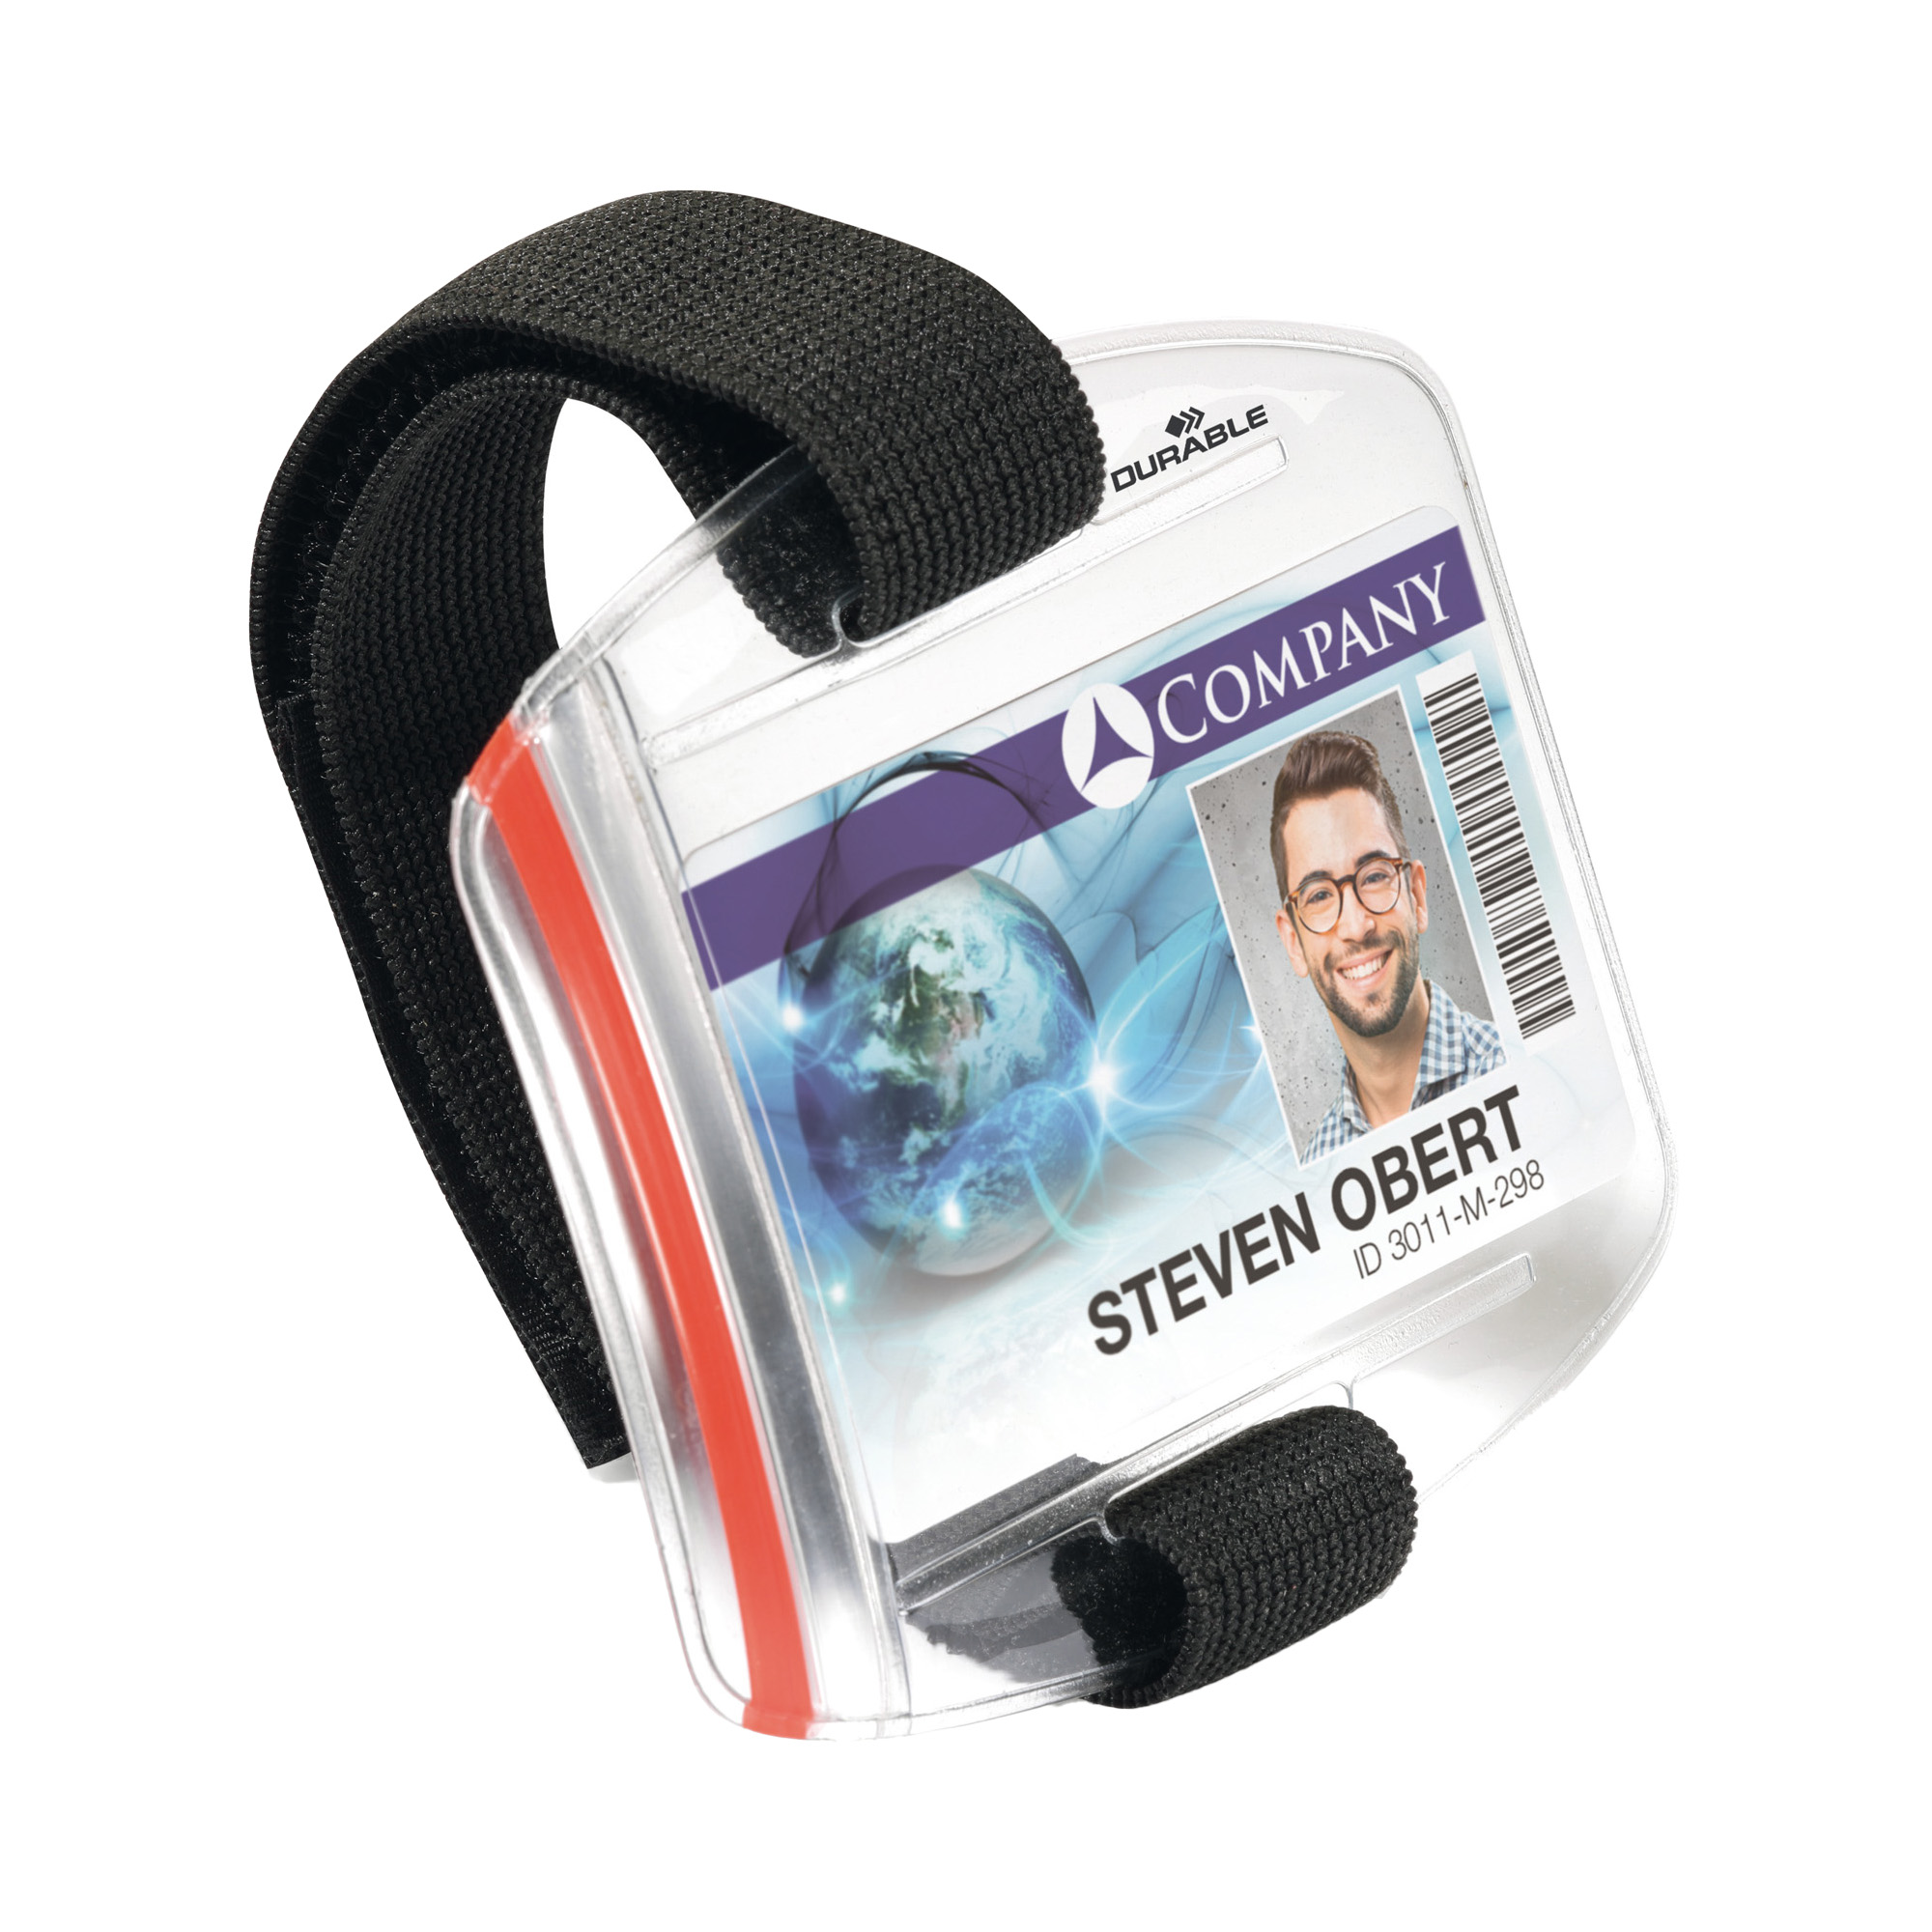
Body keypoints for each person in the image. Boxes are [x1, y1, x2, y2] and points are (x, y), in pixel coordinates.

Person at [1269, 729, 1503, 1157]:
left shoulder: (1512, 1066)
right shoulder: (1319, 1166)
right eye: (1319, 896)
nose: (1356, 926)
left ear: (1416, 895)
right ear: (1293, 943)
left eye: (1375, 876)